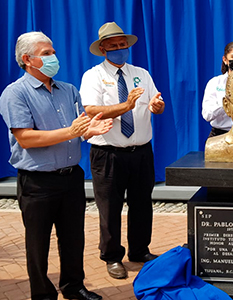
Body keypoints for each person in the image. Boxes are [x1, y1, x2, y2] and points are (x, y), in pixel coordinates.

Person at [0, 31, 113, 300]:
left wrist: (90, 130)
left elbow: (77, 129)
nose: (54, 57)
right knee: (37, 243)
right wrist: (72, 132)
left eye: (53, 51)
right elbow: (25, 138)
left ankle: (74, 286)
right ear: (28, 59)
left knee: (73, 238)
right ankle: (42, 294)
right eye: (47, 53)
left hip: (72, 177)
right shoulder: (15, 93)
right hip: (37, 182)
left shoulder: (68, 90)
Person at [79, 22, 165, 280]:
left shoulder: (141, 73)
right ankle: (112, 256)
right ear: (102, 49)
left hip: (140, 151)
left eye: (123, 45)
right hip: (108, 154)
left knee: (142, 203)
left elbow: (153, 102)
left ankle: (140, 250)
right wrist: (125, 106)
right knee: (109, 207)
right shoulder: (92, 76)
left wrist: (156, 106)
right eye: (113, 46)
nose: (119, 49)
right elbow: (92, 110)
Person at [202, 41, 233, 138]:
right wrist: (227, 102)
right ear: (225, 60)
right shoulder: (215, 83)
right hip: (219, 135)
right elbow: (207, 115)